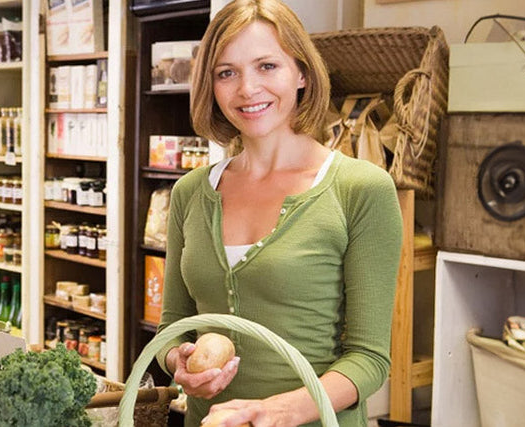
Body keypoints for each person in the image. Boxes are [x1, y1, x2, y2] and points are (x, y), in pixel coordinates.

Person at [155, 1, 403, 426]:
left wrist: (279, 411)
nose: (247, 89)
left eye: (267, 66)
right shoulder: (190, 193)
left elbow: (369, 359)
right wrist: (178, 358)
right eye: (226, 72)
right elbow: (175, 324)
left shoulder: (360, 190)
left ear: (302, 73)